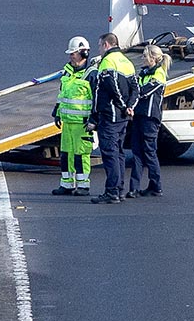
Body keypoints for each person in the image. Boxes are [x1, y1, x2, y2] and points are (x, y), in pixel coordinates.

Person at [87, 32, 137, 204]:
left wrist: (123, 105)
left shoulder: (107, 62)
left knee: (110, 154)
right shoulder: (127, 62)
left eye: (100, 46)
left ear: (106, 45)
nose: (99, 49)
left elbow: (109, 88)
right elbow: (135, 88)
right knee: (119, 153)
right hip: (122, 117)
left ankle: (112, 191)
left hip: (110, 116)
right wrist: (130, 106)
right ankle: (120, 190)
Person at [51, 36, 94, 196]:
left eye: (73, 53)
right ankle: (67, 184)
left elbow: (95, 99)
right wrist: (57, 111)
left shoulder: (90, 74)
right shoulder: (67, 72)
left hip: (82, 123)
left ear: (83, 54)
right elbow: (63, 94)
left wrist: (94, 119)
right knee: (66, 154)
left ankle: (83, 185)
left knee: (80, 155)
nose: (71, 56)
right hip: (68, 122)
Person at [127, 44, 170, 198]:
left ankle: (156, 186)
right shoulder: (144, 73)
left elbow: (143, 92)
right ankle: (134, 188)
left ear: (153, 58)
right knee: (137, 152)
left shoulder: (159, 74)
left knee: (149, 152)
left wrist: (133, 88)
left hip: (150, 119)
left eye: (145, 56)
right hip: (139, 116)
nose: (142, 59)